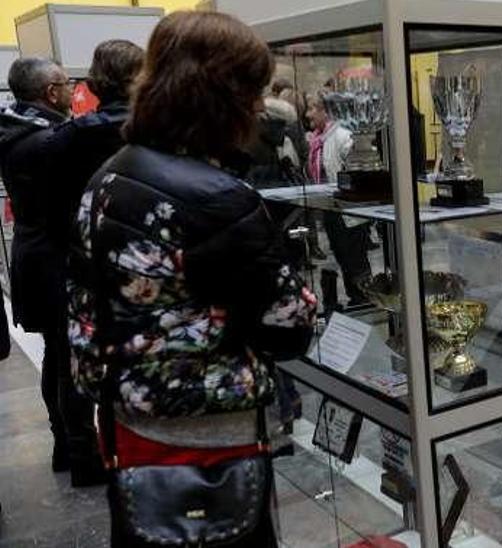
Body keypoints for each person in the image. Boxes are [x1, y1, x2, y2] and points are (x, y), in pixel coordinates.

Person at [65, 12, 316, 546]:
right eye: (250, 90)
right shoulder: (217, 197)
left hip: (128, 428)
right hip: (211, 444)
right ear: (220, 96)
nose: (256, 106)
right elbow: (289, 328)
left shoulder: (109, 175)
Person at [31, 39, 145, 487]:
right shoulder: (149, 130)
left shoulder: (68, 136)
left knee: (74, 361)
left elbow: (54, 211)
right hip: (141, 263)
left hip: (82, 262)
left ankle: (82, 454)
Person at [0, 56, 73, 476]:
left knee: (57, 355)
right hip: (53, 259)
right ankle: (72, 445)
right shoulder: (46, 140)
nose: (70, 91)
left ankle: (65, 438)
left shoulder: (18, 132)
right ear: (50, 92)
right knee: (64, 356)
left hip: (37, 255)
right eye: (65, 84)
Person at [306, 91, 372, 308]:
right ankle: (356, 298)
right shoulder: (319, 139)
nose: (308, 114)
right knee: (344, 259)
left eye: (312, 108)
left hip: (348, 213)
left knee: (355, 260)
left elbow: (361, 169)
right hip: (332, 210)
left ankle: (364, 299)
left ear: (326, 111)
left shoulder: (343, 136)